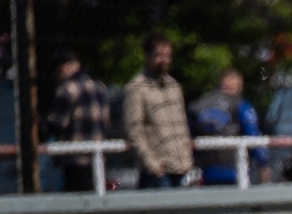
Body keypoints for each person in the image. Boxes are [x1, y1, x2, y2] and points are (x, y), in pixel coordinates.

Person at [123, 33, 193, 189]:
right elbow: (134, 129)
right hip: (157, 172)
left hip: (180, 168)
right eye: (159, 55)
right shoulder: (137, 88)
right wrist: (153, 166)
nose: (165, 60)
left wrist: (187, 159)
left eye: (168, 56)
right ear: (148, 56)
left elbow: (183, 124)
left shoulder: (174, 86)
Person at [43, 50, 110, 193]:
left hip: (75, 158)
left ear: (62, 67)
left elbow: (58, 123)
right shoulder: (100, 87)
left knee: (75, 198)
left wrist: (42, 123)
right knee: (95, 197)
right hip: (98, 157)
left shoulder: (68, 89)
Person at [190, 68, 270, 185]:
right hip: (235, 169)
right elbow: (252, 133)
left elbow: (189, 134)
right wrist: (263, 163)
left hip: (206, 171)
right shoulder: (240, 104)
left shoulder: (198, 105)